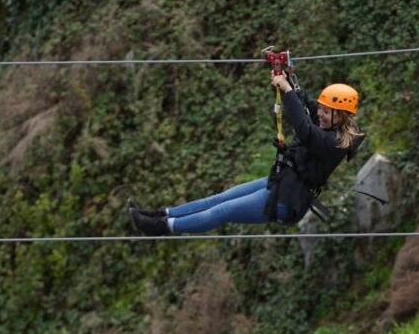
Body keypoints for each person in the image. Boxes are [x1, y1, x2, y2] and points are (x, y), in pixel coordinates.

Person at [128, 71, 364, 235]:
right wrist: (287, 78)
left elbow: (304, 129)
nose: (320, 114)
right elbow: (306, 104)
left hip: (287, 199)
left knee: (222, 211)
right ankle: (156, 216)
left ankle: (161, 227)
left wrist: (287, 90)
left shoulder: (334, 143)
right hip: (281, 182)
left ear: (340, 116)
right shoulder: (329, 123)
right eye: (321, 109)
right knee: (217, 199)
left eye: (326, 112)